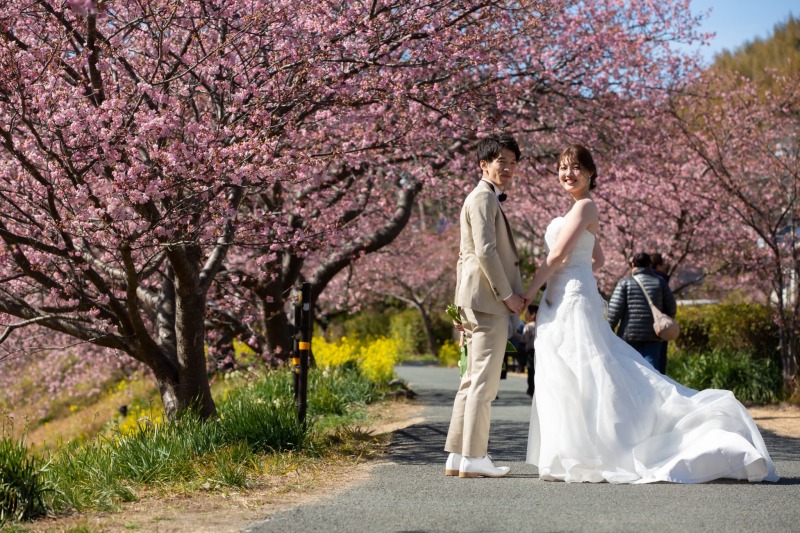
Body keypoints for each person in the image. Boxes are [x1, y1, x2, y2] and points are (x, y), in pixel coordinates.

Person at [521, 144, 777, 484]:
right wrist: (575, 268)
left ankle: (586, 453)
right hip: (563, 296)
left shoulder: (585, 206)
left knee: (586, 372)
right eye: (562, 168)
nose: (568, 173)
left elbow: (555, 257)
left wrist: (527, 294)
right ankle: (570, 454)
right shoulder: (577, 211)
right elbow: (598, 260)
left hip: (571, 300)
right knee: (568, 373)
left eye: (576, 167)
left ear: (590, 173)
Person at [444, 133, 525, 479]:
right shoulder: (483, 198)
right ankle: (475, 456)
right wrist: (507, 295)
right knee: (484, 383)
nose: (507, 168)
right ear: (483, 165)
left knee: (471, 380)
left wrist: (459, 306)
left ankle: (458, 456)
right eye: (501, 161)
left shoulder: (482, 197)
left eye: (512, 162)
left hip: (474, 300)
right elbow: (485, 251)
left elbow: (464, 257)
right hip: (488, 301)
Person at [606, 252, 676, 372]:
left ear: (633, 265)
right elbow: (671, 307)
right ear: (649, 265)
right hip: (653, 335)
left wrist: (609, 331)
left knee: (630, 371)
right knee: (652, 372)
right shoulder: (660, 282)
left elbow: (614, 312)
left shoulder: (625, 283)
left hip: (629, 336)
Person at [650, 252, 672, 373]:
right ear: (659, 265)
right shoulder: (662, 281)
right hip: (659, 325)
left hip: (638, 327)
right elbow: (670, 306)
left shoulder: (635, 280)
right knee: (659, 360)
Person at [521, 304, 538, 396]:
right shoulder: (541, 325)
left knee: (531, 371)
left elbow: (524, 339)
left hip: (531, 352)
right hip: (539, 352)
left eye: (527, 312)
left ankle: (531, 389)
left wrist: (514, 335)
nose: (525, 314)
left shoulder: (528, 326)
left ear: (533, 314)